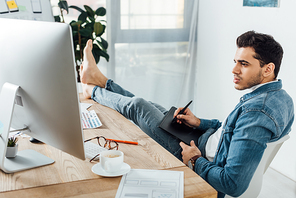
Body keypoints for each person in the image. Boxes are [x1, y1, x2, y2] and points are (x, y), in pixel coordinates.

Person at [81, 31, 294, 198]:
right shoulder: (279, 97)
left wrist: (195, 160)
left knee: (138, 106)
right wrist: (199, 122)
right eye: (235, 61)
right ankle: (101, 81)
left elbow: (233, 184)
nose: (234, 69)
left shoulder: (258, 112)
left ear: (268, 69)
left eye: (244, 64)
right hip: (204, 140)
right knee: (152, 106)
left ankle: (93, 89)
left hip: (194, 154)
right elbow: (234, 130)